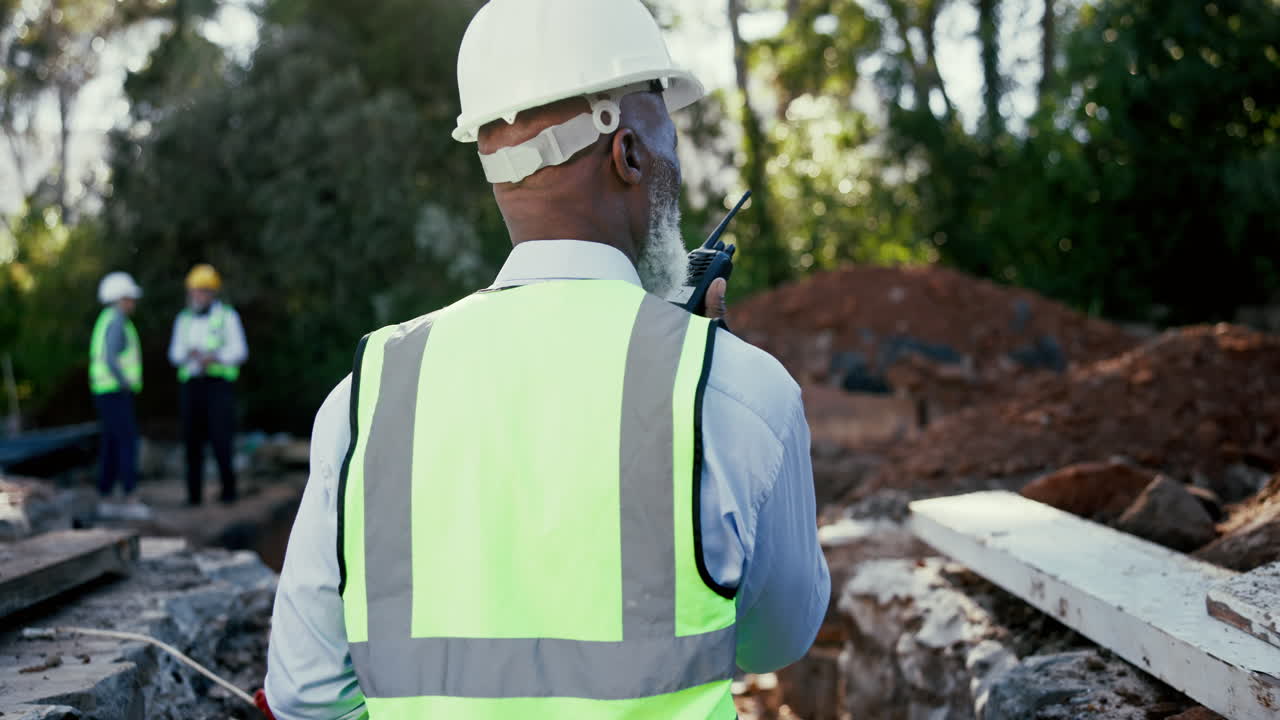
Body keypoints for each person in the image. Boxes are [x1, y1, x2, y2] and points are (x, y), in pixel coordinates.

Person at [264, 0, 829, 717]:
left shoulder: (364, 396)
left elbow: (305, 696)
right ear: (628, 154)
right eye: (668, 142)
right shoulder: (737, 393)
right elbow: (774, 642)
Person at [168, 264, 247, 506]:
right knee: (192, 442)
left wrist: (215, 356)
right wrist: (190, 354)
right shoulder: (183, 320)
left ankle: (229, 492)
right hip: (192, 386)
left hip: (218, 386)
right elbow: (174, 354)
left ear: (212, 293)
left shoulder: (227, 316)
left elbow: (240, 351)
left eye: (202, 291)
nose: (197, 296)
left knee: (221, 438)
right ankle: (194, 497)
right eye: (194, 291)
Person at [89, 271, 149, 520]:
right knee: (126, 441)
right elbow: (110, 358)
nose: (132, 302)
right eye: (129, 298)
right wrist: (125, 383)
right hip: (114, 392)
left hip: (106, 392)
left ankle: (105, 492)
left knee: (113, 443)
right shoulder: (116, 322)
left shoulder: (108, 318)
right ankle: (129, 495)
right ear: (119, 299)